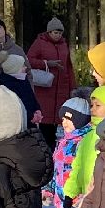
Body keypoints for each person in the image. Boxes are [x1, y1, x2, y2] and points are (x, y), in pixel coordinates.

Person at [46, 98, 95, 208]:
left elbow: (86, 169)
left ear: (80, 119)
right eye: (62, 118)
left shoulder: (86, 140)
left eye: (68, 118)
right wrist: (49, 189)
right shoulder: (63, 141)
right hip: (61, 196)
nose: (63, 122)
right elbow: (55, 168)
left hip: (78, 196)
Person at [28, 18, 77, 146]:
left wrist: (73, 87)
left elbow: (69, 67)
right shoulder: (39, 43)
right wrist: (46, 64)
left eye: (60, 33)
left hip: (61, 88)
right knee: (45, 122)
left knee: (58, 122)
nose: (58, 35)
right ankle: (45, 148)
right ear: (49, 32)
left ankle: (54, 150)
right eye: (55, 32)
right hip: (45, 89)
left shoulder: (64, 45)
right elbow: (29, 60)